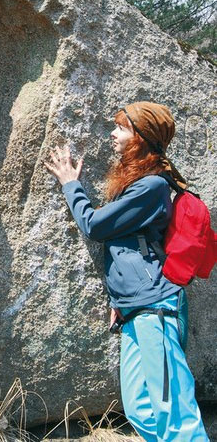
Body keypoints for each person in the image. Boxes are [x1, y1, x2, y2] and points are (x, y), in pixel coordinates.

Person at [44, 101, 209, 441]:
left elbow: (95, 225)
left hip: (156, 310)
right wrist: (121, 298)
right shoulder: (141, 183)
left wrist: (70, 184)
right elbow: (133, 248)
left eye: (121, 128)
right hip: (136, 310)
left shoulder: (153, 187)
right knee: (140, 410)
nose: (113, 134)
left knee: (174, 413)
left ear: (140, 136)